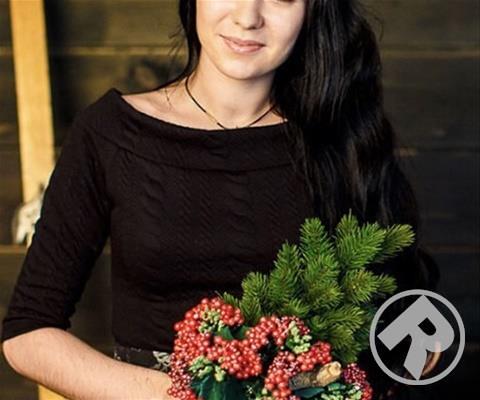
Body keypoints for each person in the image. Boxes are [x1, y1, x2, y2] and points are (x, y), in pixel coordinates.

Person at [1, 1, 439, 399]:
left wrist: (349, 380)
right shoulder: (109, 134)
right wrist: (189, 395)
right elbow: (27, 334)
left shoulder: (344, 139)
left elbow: (419, 329)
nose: (248, 17)